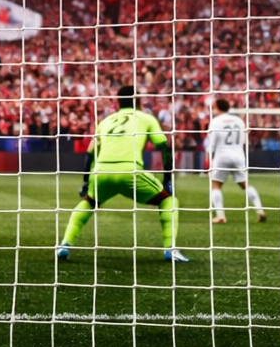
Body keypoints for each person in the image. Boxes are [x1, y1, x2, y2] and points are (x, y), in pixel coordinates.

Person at [57, 85, 187, 263]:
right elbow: (164, 147)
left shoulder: (106, 121)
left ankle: (65, 244)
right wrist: (167, 180)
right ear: (139, 101)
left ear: (117, 103)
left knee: (89, 202)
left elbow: (90, 153)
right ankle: (170, 249)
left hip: (101, 172)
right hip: (130, 171)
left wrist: (86, 182)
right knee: (168, 200)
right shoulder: (145, 118)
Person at [205, 97, 265, 224]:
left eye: (214, 107)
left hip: (222, 155)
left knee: (216, 185)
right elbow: (244, 140)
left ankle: (220, 216)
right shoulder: (239, 121)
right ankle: (260, 210)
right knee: (245, 185)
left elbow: (212, 144)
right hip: (238, 155)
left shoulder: (215, 122)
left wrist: (207, 160)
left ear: (217, 108)